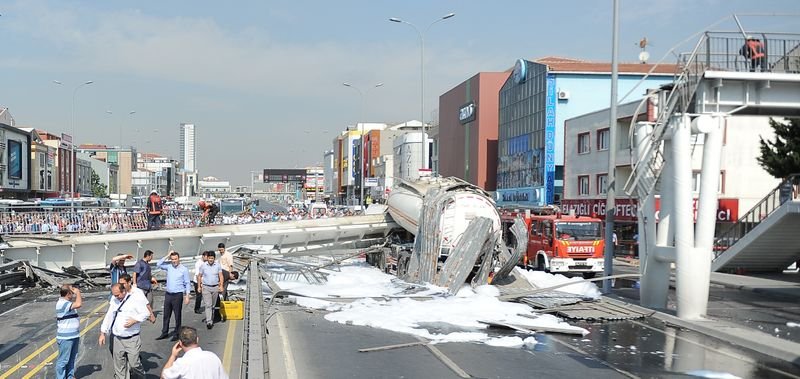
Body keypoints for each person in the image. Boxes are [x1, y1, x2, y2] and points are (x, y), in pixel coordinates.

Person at [99, 283, 150, 379]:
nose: (116, 297)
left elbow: (146, 313)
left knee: (134, 364)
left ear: (124, 291)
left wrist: (135, 320)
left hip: (132, 339)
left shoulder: (135, 300)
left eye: (117, 295)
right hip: (117, 339)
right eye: (114, 295)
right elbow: (109, 316)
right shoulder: (114, 300)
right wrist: (103, 333)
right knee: (119, 365)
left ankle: (141, 376)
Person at [160, 326, 228, 379]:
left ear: (180, 343)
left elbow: (164, 376)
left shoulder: (182, 363)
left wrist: (173, 355)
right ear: (197, 339)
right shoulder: (213, 357)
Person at [156, 251, 191, 341]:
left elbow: (187, 283)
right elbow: (158, 264)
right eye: (172, 259)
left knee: (177, 315)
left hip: (178, 295)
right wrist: (167, 255)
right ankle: (164, 332)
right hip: (168, 294)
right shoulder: (169, 267)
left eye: (175, 259)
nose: (174, 261)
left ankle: (177, 333)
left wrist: (187, 295)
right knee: (166, 315)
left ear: (179, 259)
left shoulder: (184, 269)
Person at [55, 284, 82, 379]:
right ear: (68, 294)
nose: (73, 294)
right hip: (66, 338)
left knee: (71, 359)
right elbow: (78, 304)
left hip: (73, 335)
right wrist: (78, 293)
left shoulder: (67, 303)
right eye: (72, 292)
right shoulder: (62, 303)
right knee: (63, 360)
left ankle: (70, 376)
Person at [197, 251, 224, 329]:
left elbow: (221, 276)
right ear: (207, 258)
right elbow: (199, 276)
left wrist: (221, 285)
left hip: (215, 287)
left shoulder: (218, 265)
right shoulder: (203, 266)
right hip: (206, 287)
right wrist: (199, 286)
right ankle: (209, 321)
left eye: (212, 258)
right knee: (208, 305)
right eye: (209, 258)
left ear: (214, 258)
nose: (210, 260)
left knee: (212, 305)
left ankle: (210, 318)